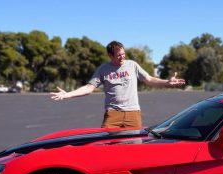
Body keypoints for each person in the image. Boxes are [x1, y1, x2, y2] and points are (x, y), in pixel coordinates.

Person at [50, 41, 185, 128]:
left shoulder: (132, 65)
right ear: (110, 55)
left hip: (133, 113)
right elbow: (88, 88)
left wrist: (167, 82)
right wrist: (67, 95)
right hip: (113, 114)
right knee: (105, 146)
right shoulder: (103, 69)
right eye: (119, 55)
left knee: (134, 148)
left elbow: (149, 79)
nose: (122, 57)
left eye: (123, 54)